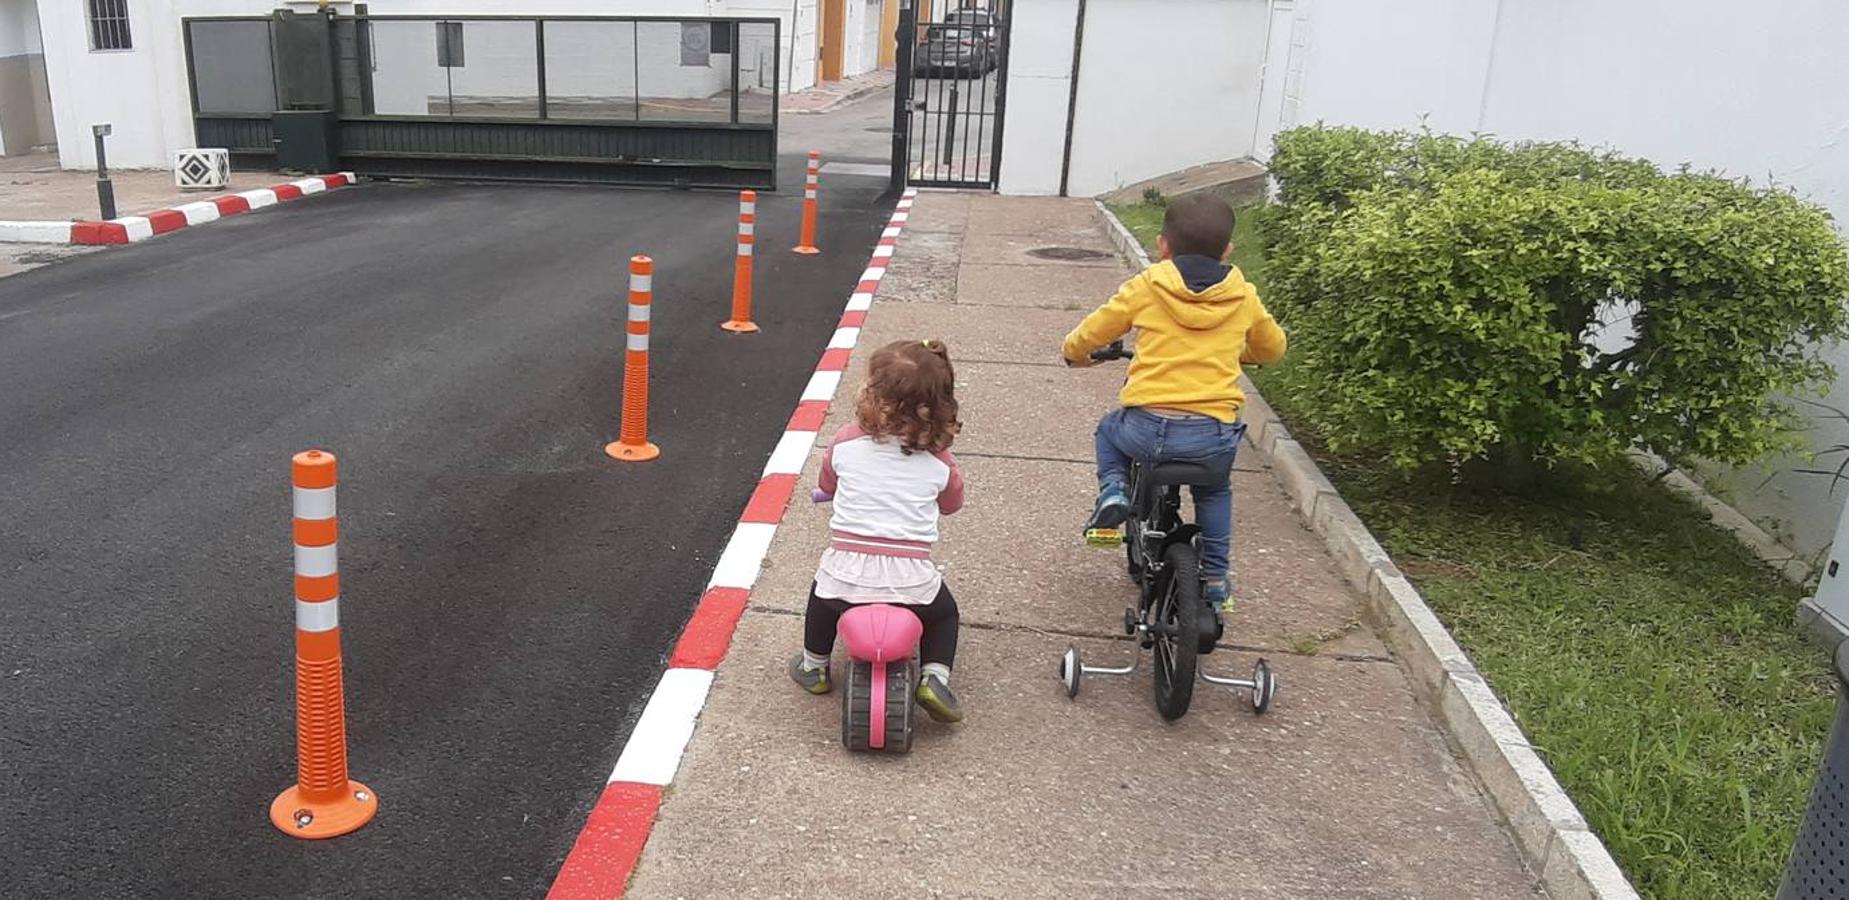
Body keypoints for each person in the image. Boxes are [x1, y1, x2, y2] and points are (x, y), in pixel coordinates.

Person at [1061, 193, 1286, 614]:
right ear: (1228, 250)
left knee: (1109, 430)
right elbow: (1272, 348)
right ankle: (1217, 578)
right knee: (1215, 491)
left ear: (1162, 245)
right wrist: (1242, 352)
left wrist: (1075, 353)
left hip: (1145, 430)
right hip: (1210, 436)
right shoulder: (1243, 296)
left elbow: (1091, 332)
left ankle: (1113, 490)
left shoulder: (1148, 286)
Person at [789, 339, 967, 724]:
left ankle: (814, 665)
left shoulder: (844, 443)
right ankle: (935, 676)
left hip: (846, 574)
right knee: (945, 615)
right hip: (911, 581)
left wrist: (829, 492)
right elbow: (952, 504)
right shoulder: (941, 463)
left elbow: (829, 482)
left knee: (821, 596)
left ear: (872, 393)